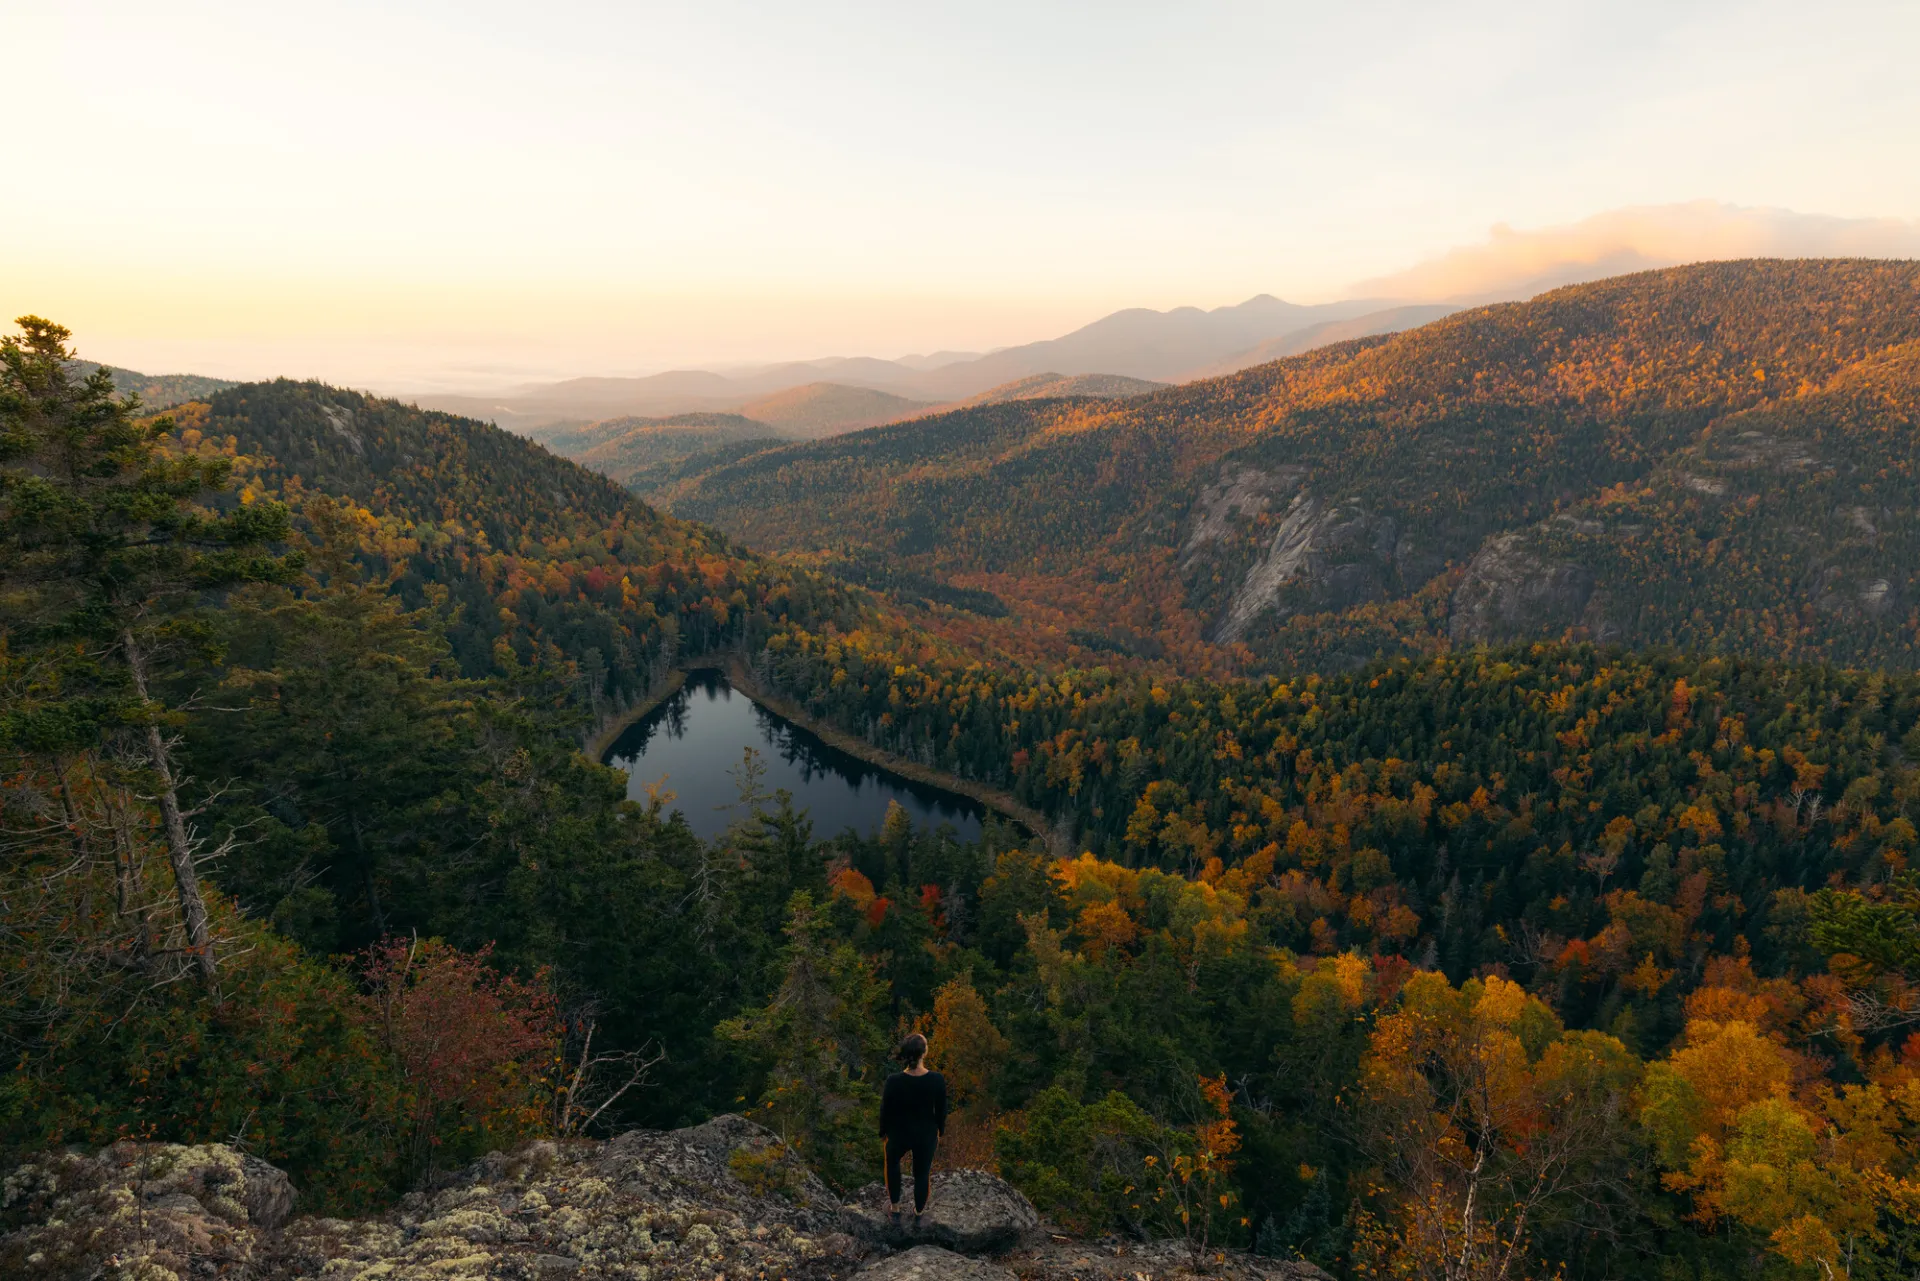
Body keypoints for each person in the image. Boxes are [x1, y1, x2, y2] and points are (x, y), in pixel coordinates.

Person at [878, 1031, 947, 1227]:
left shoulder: (893, 1080)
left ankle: (896, 1210)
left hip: (899, 1132)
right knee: (922, 1173)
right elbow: (942, 1110)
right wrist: (940, 1130)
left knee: (892, 1165)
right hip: (925, 1134)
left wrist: (883, 1131)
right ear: (924, 1053)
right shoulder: (936, 1079)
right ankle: (918, 1214)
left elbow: (886, 1108)